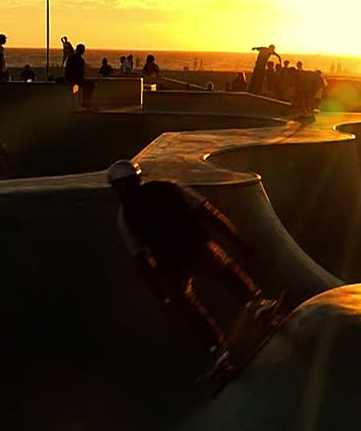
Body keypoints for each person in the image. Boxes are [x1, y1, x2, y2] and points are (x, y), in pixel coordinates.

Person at [107, 159, 276, 371]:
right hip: (198, 249)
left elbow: (142, 262)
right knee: (225, 274)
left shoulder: (124, 216)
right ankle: (255, 304)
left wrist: (162, 299)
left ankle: (216, 350)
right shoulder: (169, 188)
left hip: (170, 266)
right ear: (138, 178)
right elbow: (209, 214)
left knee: (187, 307)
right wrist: (237, 241)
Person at [66, 42, 96, 110]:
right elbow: (70, 70)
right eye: (81, 50)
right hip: (72, 78)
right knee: (88, 84)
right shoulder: (73, 58)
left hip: (78, 78)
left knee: (90, 84)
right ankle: (85, 101)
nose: (82, 52)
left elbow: (81, 72)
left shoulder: (80, 59)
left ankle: (86, 100)